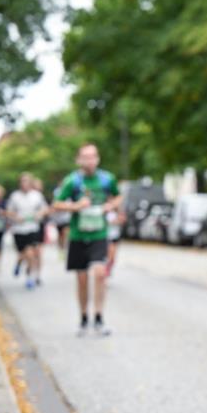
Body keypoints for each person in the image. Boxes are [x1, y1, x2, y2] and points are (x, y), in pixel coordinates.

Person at [53, 143, 121, 336]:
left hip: (99, 233)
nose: (90, 160)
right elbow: (56, 203)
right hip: (78, 235)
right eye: (86, 157)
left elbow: (118, 197)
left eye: (93, 156)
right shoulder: (72, 181)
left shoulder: (107, 179)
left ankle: (99, 317)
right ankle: (84, 318)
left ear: (97, 159)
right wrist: (75, 206)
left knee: (100, 273)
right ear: (79, 160)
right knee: (82, 279)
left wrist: (110, 206)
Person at [6, 173, 48, 289]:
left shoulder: (37, 195)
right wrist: (16, 218)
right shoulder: (14, 196)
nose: (24, 184)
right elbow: (9, 211)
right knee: (23, 254)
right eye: (22, 181)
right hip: (19, 230)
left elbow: (45, 209)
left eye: (27, 181)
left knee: (31, 253)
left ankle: (30, 277)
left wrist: (39, 214)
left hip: (32, 228)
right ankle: (19, 264)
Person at [105, 206, 125, 277]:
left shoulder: (118, 211)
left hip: (116, 236)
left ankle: (108, 269)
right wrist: (115, 221)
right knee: (109, 255)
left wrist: (119, 219)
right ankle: (106, 270)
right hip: (107, 236)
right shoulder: (106, 210)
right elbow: (106, 222)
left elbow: (123, 220)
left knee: (113, 257)